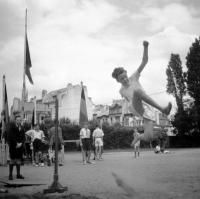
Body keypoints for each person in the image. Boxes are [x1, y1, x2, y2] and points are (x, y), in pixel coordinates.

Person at [112, 41, 172, 145]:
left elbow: (144, 61)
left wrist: (146, 47)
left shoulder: (134, 77)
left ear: (127, 73)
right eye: (122, 79)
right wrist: (134, 111)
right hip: (136, 106)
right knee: (137, 91)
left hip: (147, 107)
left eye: (125, 77)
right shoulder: (121, 91)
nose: (125, 80)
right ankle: (163, 109)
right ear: (118, 81)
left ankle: (138, 136)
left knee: (149, 137)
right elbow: (128, 101)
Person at [7, 114, 25, 180]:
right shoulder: (12, 127)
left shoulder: (22, 127)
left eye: (20, 120)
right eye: (18, 120)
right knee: (12, 160)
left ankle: (18, 174)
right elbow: (11, 136)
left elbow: (24, 137)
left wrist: (21, 143)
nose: (19, 121)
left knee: (18, 160)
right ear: (15, 120)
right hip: (13, 146)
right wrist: (16, 143)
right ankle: (10, 175)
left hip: (20, 146)